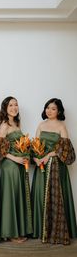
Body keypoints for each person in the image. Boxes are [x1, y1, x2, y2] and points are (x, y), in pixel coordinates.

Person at [31, 98, 77, 245]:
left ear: (59, 111)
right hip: (41, 167)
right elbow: (35, 145)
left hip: (56, 167)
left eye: (53, 109)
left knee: (57, 197)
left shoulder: (61, 127)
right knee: (40, 196)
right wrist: (36, 158)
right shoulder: (41, 125)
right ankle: (41, 230)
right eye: (48, 108)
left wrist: (48, 156)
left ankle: (56, 231)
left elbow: (65, 150)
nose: (49, 111)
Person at [0, 96, 32, 243]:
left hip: (19, 166)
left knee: (18, 196)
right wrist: (16, 158)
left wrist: (25, 156)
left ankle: (19, 230)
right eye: (10, 105)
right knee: (10, 197)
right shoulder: (4, 125)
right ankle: (10, 232)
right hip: (10, 166)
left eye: (16, 105)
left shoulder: (17, 124)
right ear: (5, 108)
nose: (14, 107)